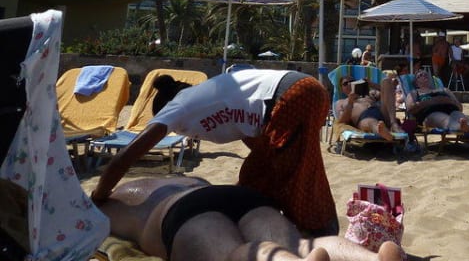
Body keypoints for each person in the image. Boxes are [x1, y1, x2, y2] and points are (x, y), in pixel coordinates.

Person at [91, 69, 336, 235]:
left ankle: (319, 235)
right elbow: (252, 126)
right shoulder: (205, 97)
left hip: (295, 96)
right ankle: (267, 225)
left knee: (295, 178)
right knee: (255, 175)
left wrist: (100, 195)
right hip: (297, 95)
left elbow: (124, 159)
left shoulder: (179, 105)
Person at [98, 177, 404, 261]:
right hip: (240, 195)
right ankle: (371, 259)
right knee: (301, 243)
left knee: (231, 253)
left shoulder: (119, 196)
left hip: (183, 211)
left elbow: (89, 229)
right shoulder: (188, 177)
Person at [404, 69, 469, 133]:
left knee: (459, 115)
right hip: (430, 114)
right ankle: (463, 128)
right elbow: (410, 109)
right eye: (420, 75)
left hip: (451, 110)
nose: (424, 75)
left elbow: (460, 107)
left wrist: (449, 101)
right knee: (445, 119)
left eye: (426, 74)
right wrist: (434, 101)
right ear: (416, 82)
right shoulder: (414, 93)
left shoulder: (444, 90)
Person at [334, 75, 401, 140]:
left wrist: (371, 84)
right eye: (345, 83)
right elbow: (342, 121)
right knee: (371, 122)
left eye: (352, 81)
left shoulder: (370, 94)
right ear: (342, 89)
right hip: (364, 118)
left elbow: (387, 93)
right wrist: (350, 102)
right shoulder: (341, 102)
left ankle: (393, 124)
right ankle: (381, 132)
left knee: (386, 81)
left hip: (382, 113)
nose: (349, 84)